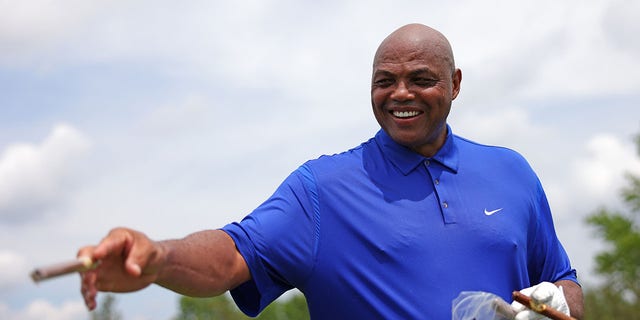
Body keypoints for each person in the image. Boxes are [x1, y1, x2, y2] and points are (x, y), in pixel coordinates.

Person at [78, 23, 584, 319]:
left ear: (454, 84)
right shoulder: (321, 190)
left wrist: (556, 307)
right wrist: (158, 258)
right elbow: (232, 255)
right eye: (385, 80)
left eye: (421, 79)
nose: (400, 94)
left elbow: (563, 283)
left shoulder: (512, 172)